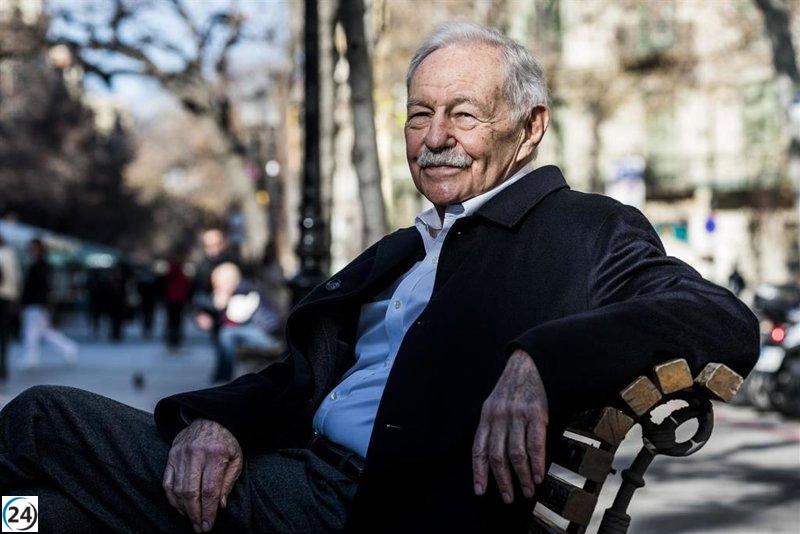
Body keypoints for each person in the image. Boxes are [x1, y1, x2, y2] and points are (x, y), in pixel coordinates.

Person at [0, 23, 759, 533]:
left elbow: (722, 320)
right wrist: (221, 419)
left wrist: (538, 359)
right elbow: (300, 378)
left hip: (359, 505)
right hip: (288, 471)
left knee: (38, 420)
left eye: (463, 115)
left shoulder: (585, 228)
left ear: (529, 129)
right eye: (417, 115)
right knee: (40, 514)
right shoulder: (411, 248)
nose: (433, 140)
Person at [204, 262, 281, 382]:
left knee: (227, 334)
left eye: (218, 284)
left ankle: (224, 376)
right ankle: (222, 375)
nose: (216, 288)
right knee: (225, 334)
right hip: (258, 332)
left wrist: (222, 304)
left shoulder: (244, 290)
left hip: (269, 335)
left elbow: (236, 317)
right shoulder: (239, 290)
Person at [19, 238, 77, 368]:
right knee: (44, 332)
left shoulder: (40, 266)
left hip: (37, 303)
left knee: (32, 332)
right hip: (37, 303)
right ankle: (68, 348)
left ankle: (31, 358)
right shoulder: (39, 264)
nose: (29, 249)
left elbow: (41, 286)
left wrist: (39, 303)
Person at [193, 228, 240, 380]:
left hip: (233, 313)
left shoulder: (232, 261)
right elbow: (197, 291)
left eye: (216, 244)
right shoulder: (202, 265)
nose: (213, 248)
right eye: (209, 245)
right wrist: (202, 313)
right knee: (220, 344)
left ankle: (224, 377)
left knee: (226, 342)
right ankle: (221, 375)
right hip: (212, 311)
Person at [0, 232, 21, 380]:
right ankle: (3, 371)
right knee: (4, 337)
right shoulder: (10, 254)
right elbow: (16, 278)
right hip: (7, 297)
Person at [163, 257, 191, 351]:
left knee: (172, 321)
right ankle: (175, 338)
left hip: (172, 299)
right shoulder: (180, 275)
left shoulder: (169, 274)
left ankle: (172, 338)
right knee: (177, 321)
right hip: (178, 300)